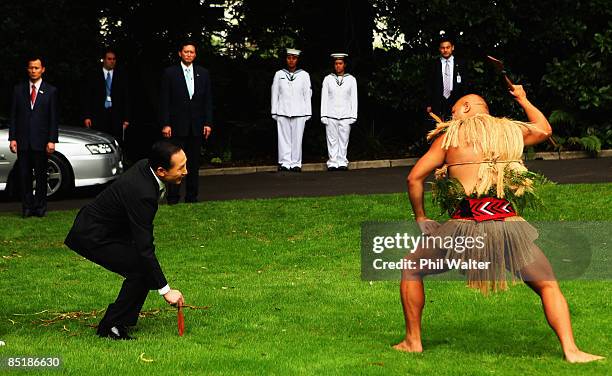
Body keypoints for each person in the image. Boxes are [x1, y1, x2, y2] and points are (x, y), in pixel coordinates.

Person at [393, 86, 604, 363]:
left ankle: (413, 341)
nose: (452, 116)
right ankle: (572, 350)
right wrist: (523, 99)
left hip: (464, 226)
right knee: (548, 285)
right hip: (508, 224)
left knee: (411, 267)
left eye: (454, 110)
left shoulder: (450, 136)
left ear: (467, 108)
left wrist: (421, 217)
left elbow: (414, 178)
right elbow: (544, 130)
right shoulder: (511, 131)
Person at [64, 140, 186, 340]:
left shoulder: (148, 167)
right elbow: (145, 247)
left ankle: (117, 322)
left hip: (109, 230)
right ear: (161, 170)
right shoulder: (143, 193)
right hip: (92, 234)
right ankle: (110, 327)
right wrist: (166, 291)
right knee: (141, 268)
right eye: (181, 167)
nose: (186, 171)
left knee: (143, 268)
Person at [160, 41, 213, 203]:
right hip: (176, 127)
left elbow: (207, 101)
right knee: (175, 163)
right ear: (180, 53)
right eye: (186, 52)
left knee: (193, 163)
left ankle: (192, 197)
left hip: (196, 127)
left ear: (195, 54)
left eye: (192, 52)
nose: (189, 54)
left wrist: (208, 123)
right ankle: (173, 197)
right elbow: (164, 100)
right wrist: (166, 123)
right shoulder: (170, 73)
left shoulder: (203, 73)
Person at [8, 56, 58, 218]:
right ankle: (27, 207)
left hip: (42, 142)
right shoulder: (18, 90)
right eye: (31, 68)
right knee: (24, 176)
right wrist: (12, 138)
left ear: (42, 69)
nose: (33, 71)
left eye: (36, 68)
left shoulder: (51, 91)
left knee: (42, 176)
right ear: (27, 69)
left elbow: (53, 118)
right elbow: (13, 116)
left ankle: (40, 207)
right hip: (23, 141)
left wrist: (52, 140)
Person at [271, 48, 312, 172]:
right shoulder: (279, 74)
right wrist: (274, 111)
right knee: (283, 138)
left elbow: (307, 94)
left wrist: (308, 112)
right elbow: (275, 93)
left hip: (299, 111)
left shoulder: (304, 75)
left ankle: (295, 163)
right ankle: (284, 162)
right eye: (289, 58)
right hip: (282, 110)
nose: (291, 60)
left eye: (294, 58)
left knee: (297, 138)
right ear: (286, 59)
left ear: (297, 60)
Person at [81, 48, 130, 146]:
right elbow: (87, 96)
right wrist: (87, 116)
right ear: (104, 60)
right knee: (98, 140)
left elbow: (126, 97)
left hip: (116, 115)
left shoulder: (121, 76)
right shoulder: (94, 74)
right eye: (109, 59)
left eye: (114, 59)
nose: (112, 61)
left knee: (116, 142)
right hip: (98, 114)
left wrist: (126, 118)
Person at [321, 53, 357, 171]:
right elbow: (324, 98)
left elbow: (354, 98)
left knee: (344, 140)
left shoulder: (351, 79)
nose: (338, 66)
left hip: (346, 114)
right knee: (332, 140)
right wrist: (323, 114)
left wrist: (353, 115)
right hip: (331, 114)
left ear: (344, 65)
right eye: (336, 64)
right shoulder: (328, 79)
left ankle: (342, 161)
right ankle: (332, 162)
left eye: (340, 63)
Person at [425, 35, 467, 121]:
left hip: (456, 99)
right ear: (439, 49)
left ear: (452, 47)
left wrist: (465, 101)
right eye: (442, 48)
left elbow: (465, 84)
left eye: (448, 47)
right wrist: (428, 104)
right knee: (439, 127)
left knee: (456, 126)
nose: (445, 50)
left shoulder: (461, 63)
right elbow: (429, 85)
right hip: (438, 100)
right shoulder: (434, 64)